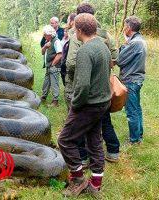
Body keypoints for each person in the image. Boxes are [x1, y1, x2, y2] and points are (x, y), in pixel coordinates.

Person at [58, 13, 111, 198]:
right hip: (103, 103)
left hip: (88, 105)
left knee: (64, 140)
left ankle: (78, 179)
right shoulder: (103, 46)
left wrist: (75, 104)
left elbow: (82, 85)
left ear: (79, 30)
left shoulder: (85, 51)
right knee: (94, 142)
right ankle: (96, 184)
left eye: (75, 29)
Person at [65, 3, 121, 164]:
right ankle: (112, 151)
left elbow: (71, 62)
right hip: (103, 85)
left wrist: (87, 66)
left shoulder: (78, 35)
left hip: (85, 87)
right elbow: (115, 56)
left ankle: (82, 158)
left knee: (79, 125)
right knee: (103, 120)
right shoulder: (104, 33)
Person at [116, 16, 147, 145]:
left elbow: (119, 60)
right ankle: (138, 135)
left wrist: (124, 45)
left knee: (131, 111)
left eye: (125, 26)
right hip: (136, 79)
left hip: (131, 80)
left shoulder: (134, 43)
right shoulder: (140, 40)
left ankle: (134, 140)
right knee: (136, 108)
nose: (124, 29)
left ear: (129, 28)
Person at [40, 25, 62, 107]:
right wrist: (45, 46)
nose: (44, 36)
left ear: (50, 34)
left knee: (54, 83)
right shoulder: (47, 41)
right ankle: (43, 97)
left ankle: (55, 101)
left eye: (45, 35)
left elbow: (60, 55)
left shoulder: (56, 41)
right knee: (46, 82)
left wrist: (52, 65)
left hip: (54, 66)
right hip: (49, 66)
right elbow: (42, 52)